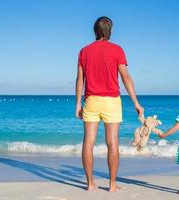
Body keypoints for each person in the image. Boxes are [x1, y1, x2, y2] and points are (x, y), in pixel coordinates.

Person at [75, 16, 144, 192]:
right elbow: (126, 77)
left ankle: (90, 184)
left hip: (91, 100)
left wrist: (77, 103)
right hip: (112, 101)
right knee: (112, 142)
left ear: (95, 30)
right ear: (110, 31)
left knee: (88, 142)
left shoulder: (84, 51)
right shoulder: (117, 50)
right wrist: (136, 102)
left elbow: (79, 79)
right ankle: (112, 185)